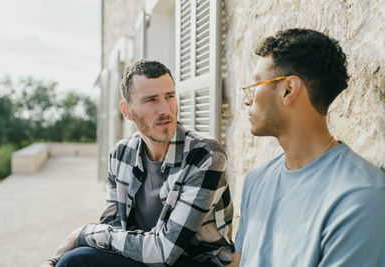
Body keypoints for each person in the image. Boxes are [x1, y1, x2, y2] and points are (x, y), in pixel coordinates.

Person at [42, 60, 234, 267]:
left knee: (77, 260)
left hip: (194, 262)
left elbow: (164, 252)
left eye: (170, 96)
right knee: (74, 260)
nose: (165, 110)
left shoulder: (205, 155)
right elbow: (111, 229)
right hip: (140, 257)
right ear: (127, 111)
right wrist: (55, 260)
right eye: (151, 100)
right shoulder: (120, 154)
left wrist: (84, 233)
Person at [228, 28, 385, 267]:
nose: (247, 99)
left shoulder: (361, 198)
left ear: (289, 89)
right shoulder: (256, 180)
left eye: (257, 84)